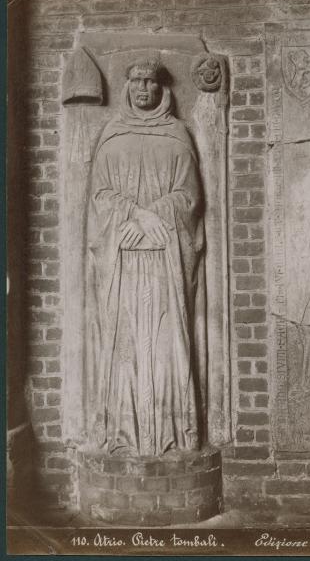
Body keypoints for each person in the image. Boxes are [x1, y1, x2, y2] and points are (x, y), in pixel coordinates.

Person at [86, 56, 205, 456]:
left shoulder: (177, 135)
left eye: (149, 82)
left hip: (165, 262)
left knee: (167, 341)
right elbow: (100, 195)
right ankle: (123, 434)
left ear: (161, 89)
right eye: (135, 81)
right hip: (121, 259)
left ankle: (172, 432)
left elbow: (190, 196)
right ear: (128, 87)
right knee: (123, 344)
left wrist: (155, 216)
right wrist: (136, 214)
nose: (142, 88)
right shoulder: (112, 135)